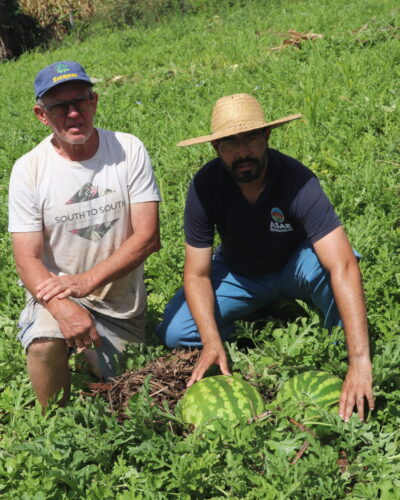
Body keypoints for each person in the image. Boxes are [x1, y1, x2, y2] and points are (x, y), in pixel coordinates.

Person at [156, 93, 374, 422]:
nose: (242, 152)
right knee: (176, 333)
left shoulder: (297, 180)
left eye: (251, 139)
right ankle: (252, 320)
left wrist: (361, 360)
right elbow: (197, 274)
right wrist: (212, 340)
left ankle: (337, 352)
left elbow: (341, 262)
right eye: (230, 142)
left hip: (295, 266)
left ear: (267, 136)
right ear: (216, 148)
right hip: (239, 273)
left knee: (337, 270)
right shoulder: (204, 186)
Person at [8, 61, 161, 407]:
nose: (73, 113)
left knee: (125, 388)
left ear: (94, 102)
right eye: (60, 107)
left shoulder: (128, 150)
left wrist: (85, 281)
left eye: (80, 101)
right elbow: (26, 257)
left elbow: (148, 236)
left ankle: (93, 359)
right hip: (60, 294)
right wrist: (63, 306)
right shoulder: (29, 170)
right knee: (45, 343)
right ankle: (56, 427)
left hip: (121, 309)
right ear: (41, 115)